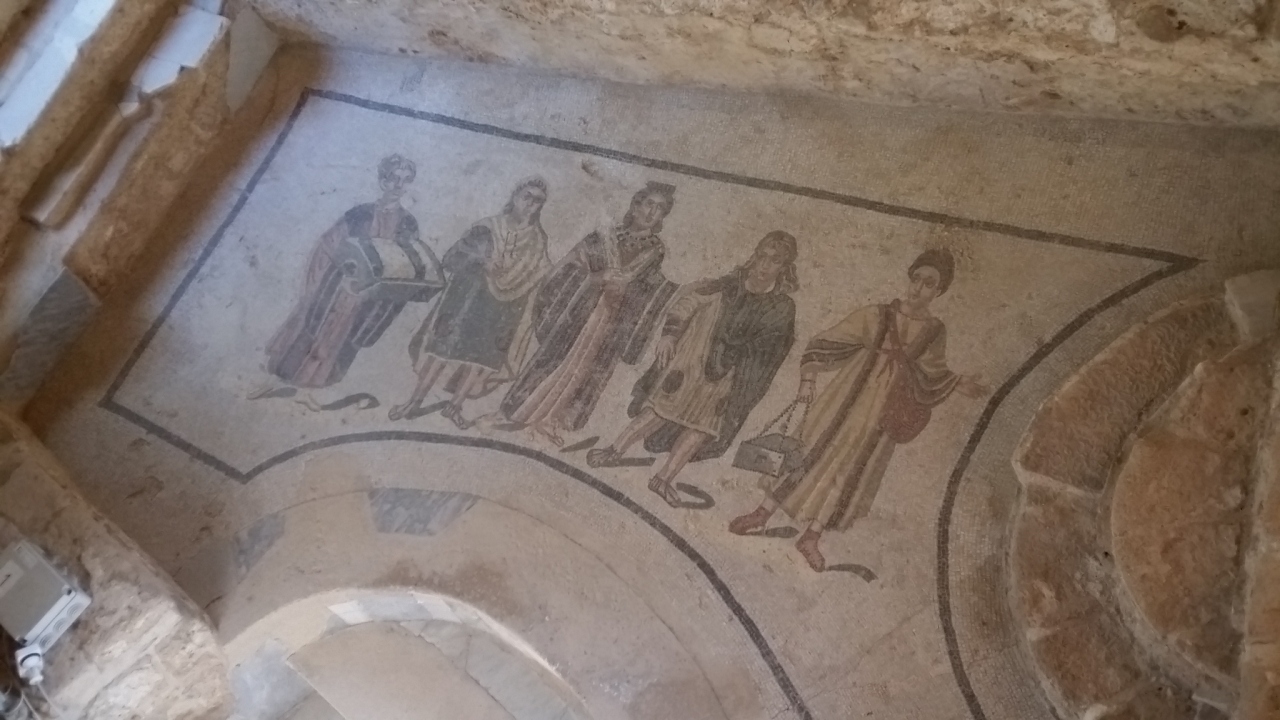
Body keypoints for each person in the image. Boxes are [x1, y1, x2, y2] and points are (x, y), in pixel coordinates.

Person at [728, 248, 988, 571]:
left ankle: (812, 536)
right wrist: (809, 378)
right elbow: (829, 340)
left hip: (885, 411)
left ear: (939, 291)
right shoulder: (878, 315)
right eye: (916, 279)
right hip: (846, 398)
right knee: (809, 450)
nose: (919, 288)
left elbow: (932, 372)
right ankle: (762, 512)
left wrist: (958, 383)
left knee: (852, 469)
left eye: (929, 284)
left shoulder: (934, 331)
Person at [587, 231, 799, 506]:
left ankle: (663, 479)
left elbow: (775, 348)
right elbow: (688, 303)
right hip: (693, 362)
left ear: (785, 267)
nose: (764, 266)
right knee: (660, 410)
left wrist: (747, 366)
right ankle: (614, 450)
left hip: (728, 378)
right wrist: (669, 335)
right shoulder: (727, 285)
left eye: (774, 261)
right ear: (754, 257)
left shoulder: (781, 307)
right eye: (761, 257)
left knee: (702, 429)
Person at [498, 182, 680, 446]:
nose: (652, 212)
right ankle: (524, 410)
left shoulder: (656, 251)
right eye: (649, 204)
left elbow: (652, 291)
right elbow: (565, 268)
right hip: (579, 313)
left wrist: (633, 292)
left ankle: (553, 421)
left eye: (660, 209)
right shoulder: (605, 237)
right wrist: (596, 278)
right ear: (635, 206)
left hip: (611, 323)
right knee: (559, 358)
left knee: (586, 371)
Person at [261, 154, 439, 397]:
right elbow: (328, 246)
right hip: (338, 288)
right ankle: (284, 378)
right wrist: (318, 285)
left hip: (369, 298)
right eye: (393, 178)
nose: (398, 185)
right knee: (313, 329)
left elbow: (408, 262)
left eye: (405, 180)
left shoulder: (408, 223)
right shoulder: (360, 214)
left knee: (343, 340)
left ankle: (313, 389)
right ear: (382, 180)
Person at [390, 178, 553, 427]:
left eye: (538, 200)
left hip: (504, 306)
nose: (530, 204)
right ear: (515, 196)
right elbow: (453, 257)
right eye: (527, 196)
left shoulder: (537, 240)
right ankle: (414, 401)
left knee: (481, 359)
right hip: (469, 296)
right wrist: (483, 260)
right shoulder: (488, 227)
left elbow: (541, 272)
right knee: (442, 350)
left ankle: (455, 407)